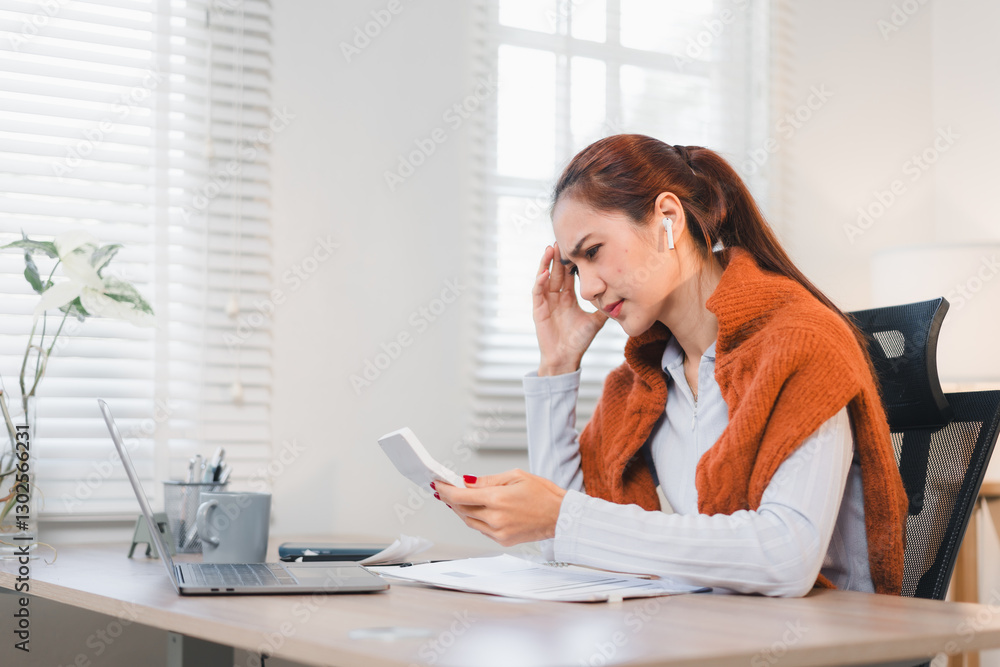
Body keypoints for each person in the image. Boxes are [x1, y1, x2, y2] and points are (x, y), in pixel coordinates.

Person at [434, 134, 908, 596]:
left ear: (667, 218)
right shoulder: (646, 379)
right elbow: (566, 547)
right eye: (576, 268)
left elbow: (786, 557)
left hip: (821, 641)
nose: (587, 289)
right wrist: (557, 365)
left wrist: (565, 516)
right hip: (713, 629)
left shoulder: (801, 341)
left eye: (594, 252)